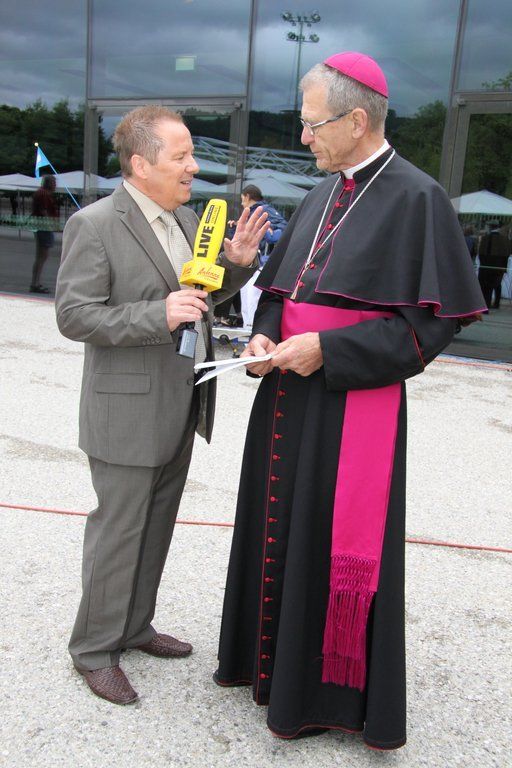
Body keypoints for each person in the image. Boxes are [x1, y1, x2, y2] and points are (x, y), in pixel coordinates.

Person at [214, 52, 485, 749]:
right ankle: (266, 670)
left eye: (313, 124)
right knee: (276, 525)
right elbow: (281, 292)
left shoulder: (418, 199)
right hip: (285, 398)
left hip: (349, 407)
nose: (304, 137)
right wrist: (265, 335)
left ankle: (320, 697)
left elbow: (428, 328)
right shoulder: (318, 194)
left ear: (357, 120)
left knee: (327, 540)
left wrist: (328, 351)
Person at [55, 105, 268, 706]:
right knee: (118, 533)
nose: (194, 166)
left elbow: (198, 296)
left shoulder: (187, 218)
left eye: (191, 154)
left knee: (156, 526)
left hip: (181, 401)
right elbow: (74, 315)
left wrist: (235, 267)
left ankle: (134, 626)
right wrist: (157, 314)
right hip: (125, 414)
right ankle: (93, 650)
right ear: (141, 164)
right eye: (182, 156)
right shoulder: (96, 224)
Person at [234, 185, 288, 327]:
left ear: (247, 196)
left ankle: (252, 328)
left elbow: (284, 228)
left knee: (253, 296)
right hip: (251, 261)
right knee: (246, 295)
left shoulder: (264, 209)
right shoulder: (253, 211)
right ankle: (247, 327)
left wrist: (271, 233)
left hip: (261, 262)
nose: (241, 203)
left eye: (242, 199)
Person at [30, 174, 59, 293]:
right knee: (42, 256)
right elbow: (44, 211)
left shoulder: (41, 193)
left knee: (40, 256)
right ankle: (35, 284)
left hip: (41, 226)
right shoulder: (43, 194)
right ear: (49, 183)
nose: (55, 185)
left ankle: (35, 283)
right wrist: (50, 225)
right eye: (54, 182)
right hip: (43, 227)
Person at [477, 220, 509, 308]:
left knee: (486, 287)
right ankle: (496, 303)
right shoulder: (504, 239)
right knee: (497, 285)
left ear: (490, 227)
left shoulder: (485, 238)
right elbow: (506, 255)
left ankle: (486, 305)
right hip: (499, 267)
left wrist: (483, 264)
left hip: (486, 266)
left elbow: (480, 253)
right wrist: (504, 268)